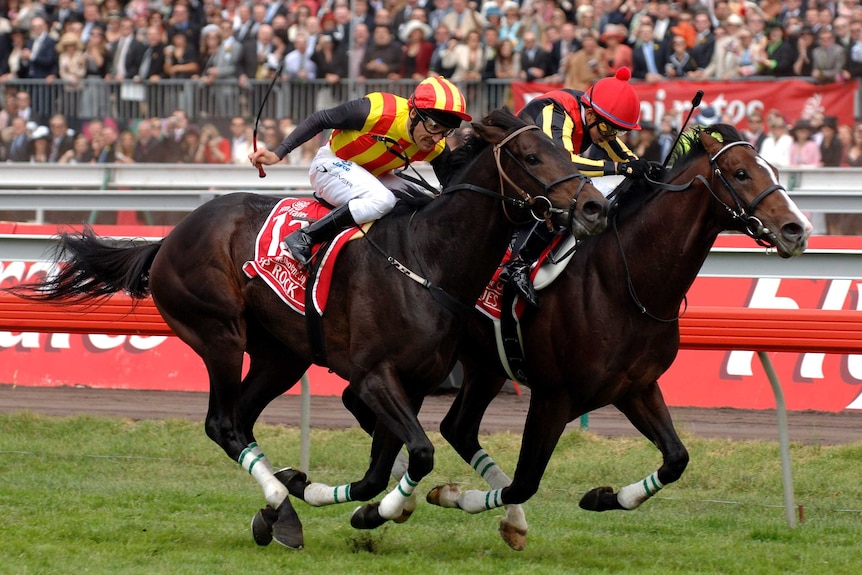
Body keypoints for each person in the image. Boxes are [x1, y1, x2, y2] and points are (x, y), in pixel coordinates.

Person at [248, 76, 472, 268]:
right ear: (413, 113)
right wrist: (278, 154)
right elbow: (321, 119)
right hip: (331, 163)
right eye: (434, 126)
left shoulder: (436, 145)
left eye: (446, 131)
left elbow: (453, 192)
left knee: (425, 200)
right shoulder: (376, 110)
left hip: (373, 175)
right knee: (382, 200)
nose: (437, 138)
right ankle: (306, 236)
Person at [503, 67, 650, 307]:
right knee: (571, 196)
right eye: (609, 129)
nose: (611, 136)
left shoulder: (595, 116)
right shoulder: (556, 113)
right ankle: (518, 265)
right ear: (591, 115)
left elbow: (617, 150)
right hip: (515, 177)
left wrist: (641, 167)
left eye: (618, 130)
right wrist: (619, 169)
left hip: (538, 174)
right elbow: (565, 164)